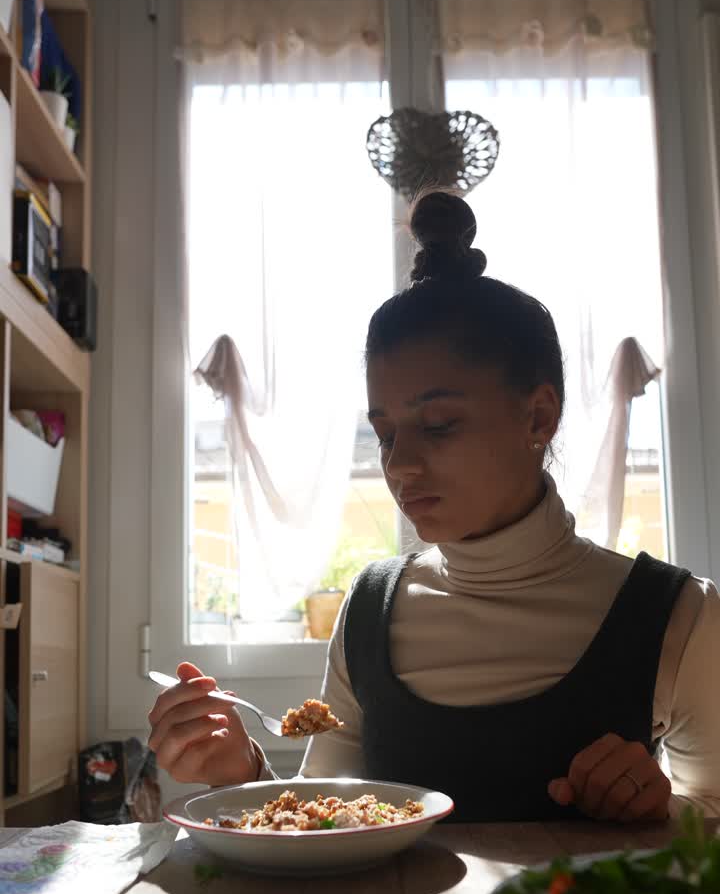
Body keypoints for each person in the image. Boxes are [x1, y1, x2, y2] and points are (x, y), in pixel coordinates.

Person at [148, 191, 720, 823]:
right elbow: (328, 813)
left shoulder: (679, 616)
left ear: (539, 416)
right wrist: (244, 771)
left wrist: (664, 811)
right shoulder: (369, 609)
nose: (399, 466)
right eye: (386, 432)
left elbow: (711, 815)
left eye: (440, 424)